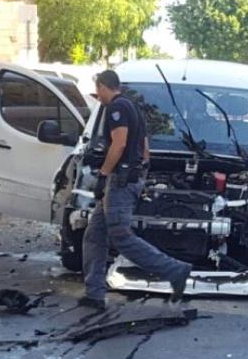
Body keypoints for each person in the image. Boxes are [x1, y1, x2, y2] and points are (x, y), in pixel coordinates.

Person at [80, 70, 192, 309]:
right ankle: (94, 293)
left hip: (120, 180)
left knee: (121, 237)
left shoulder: (116, 108)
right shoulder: (133, 107)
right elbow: (145, 146)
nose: (97, 95)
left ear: (102, 86)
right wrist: (141, 172)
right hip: (127, 178)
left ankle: (176, 270)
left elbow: (119, 144)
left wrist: (103, 174)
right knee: (95, 234)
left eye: (97, 90)